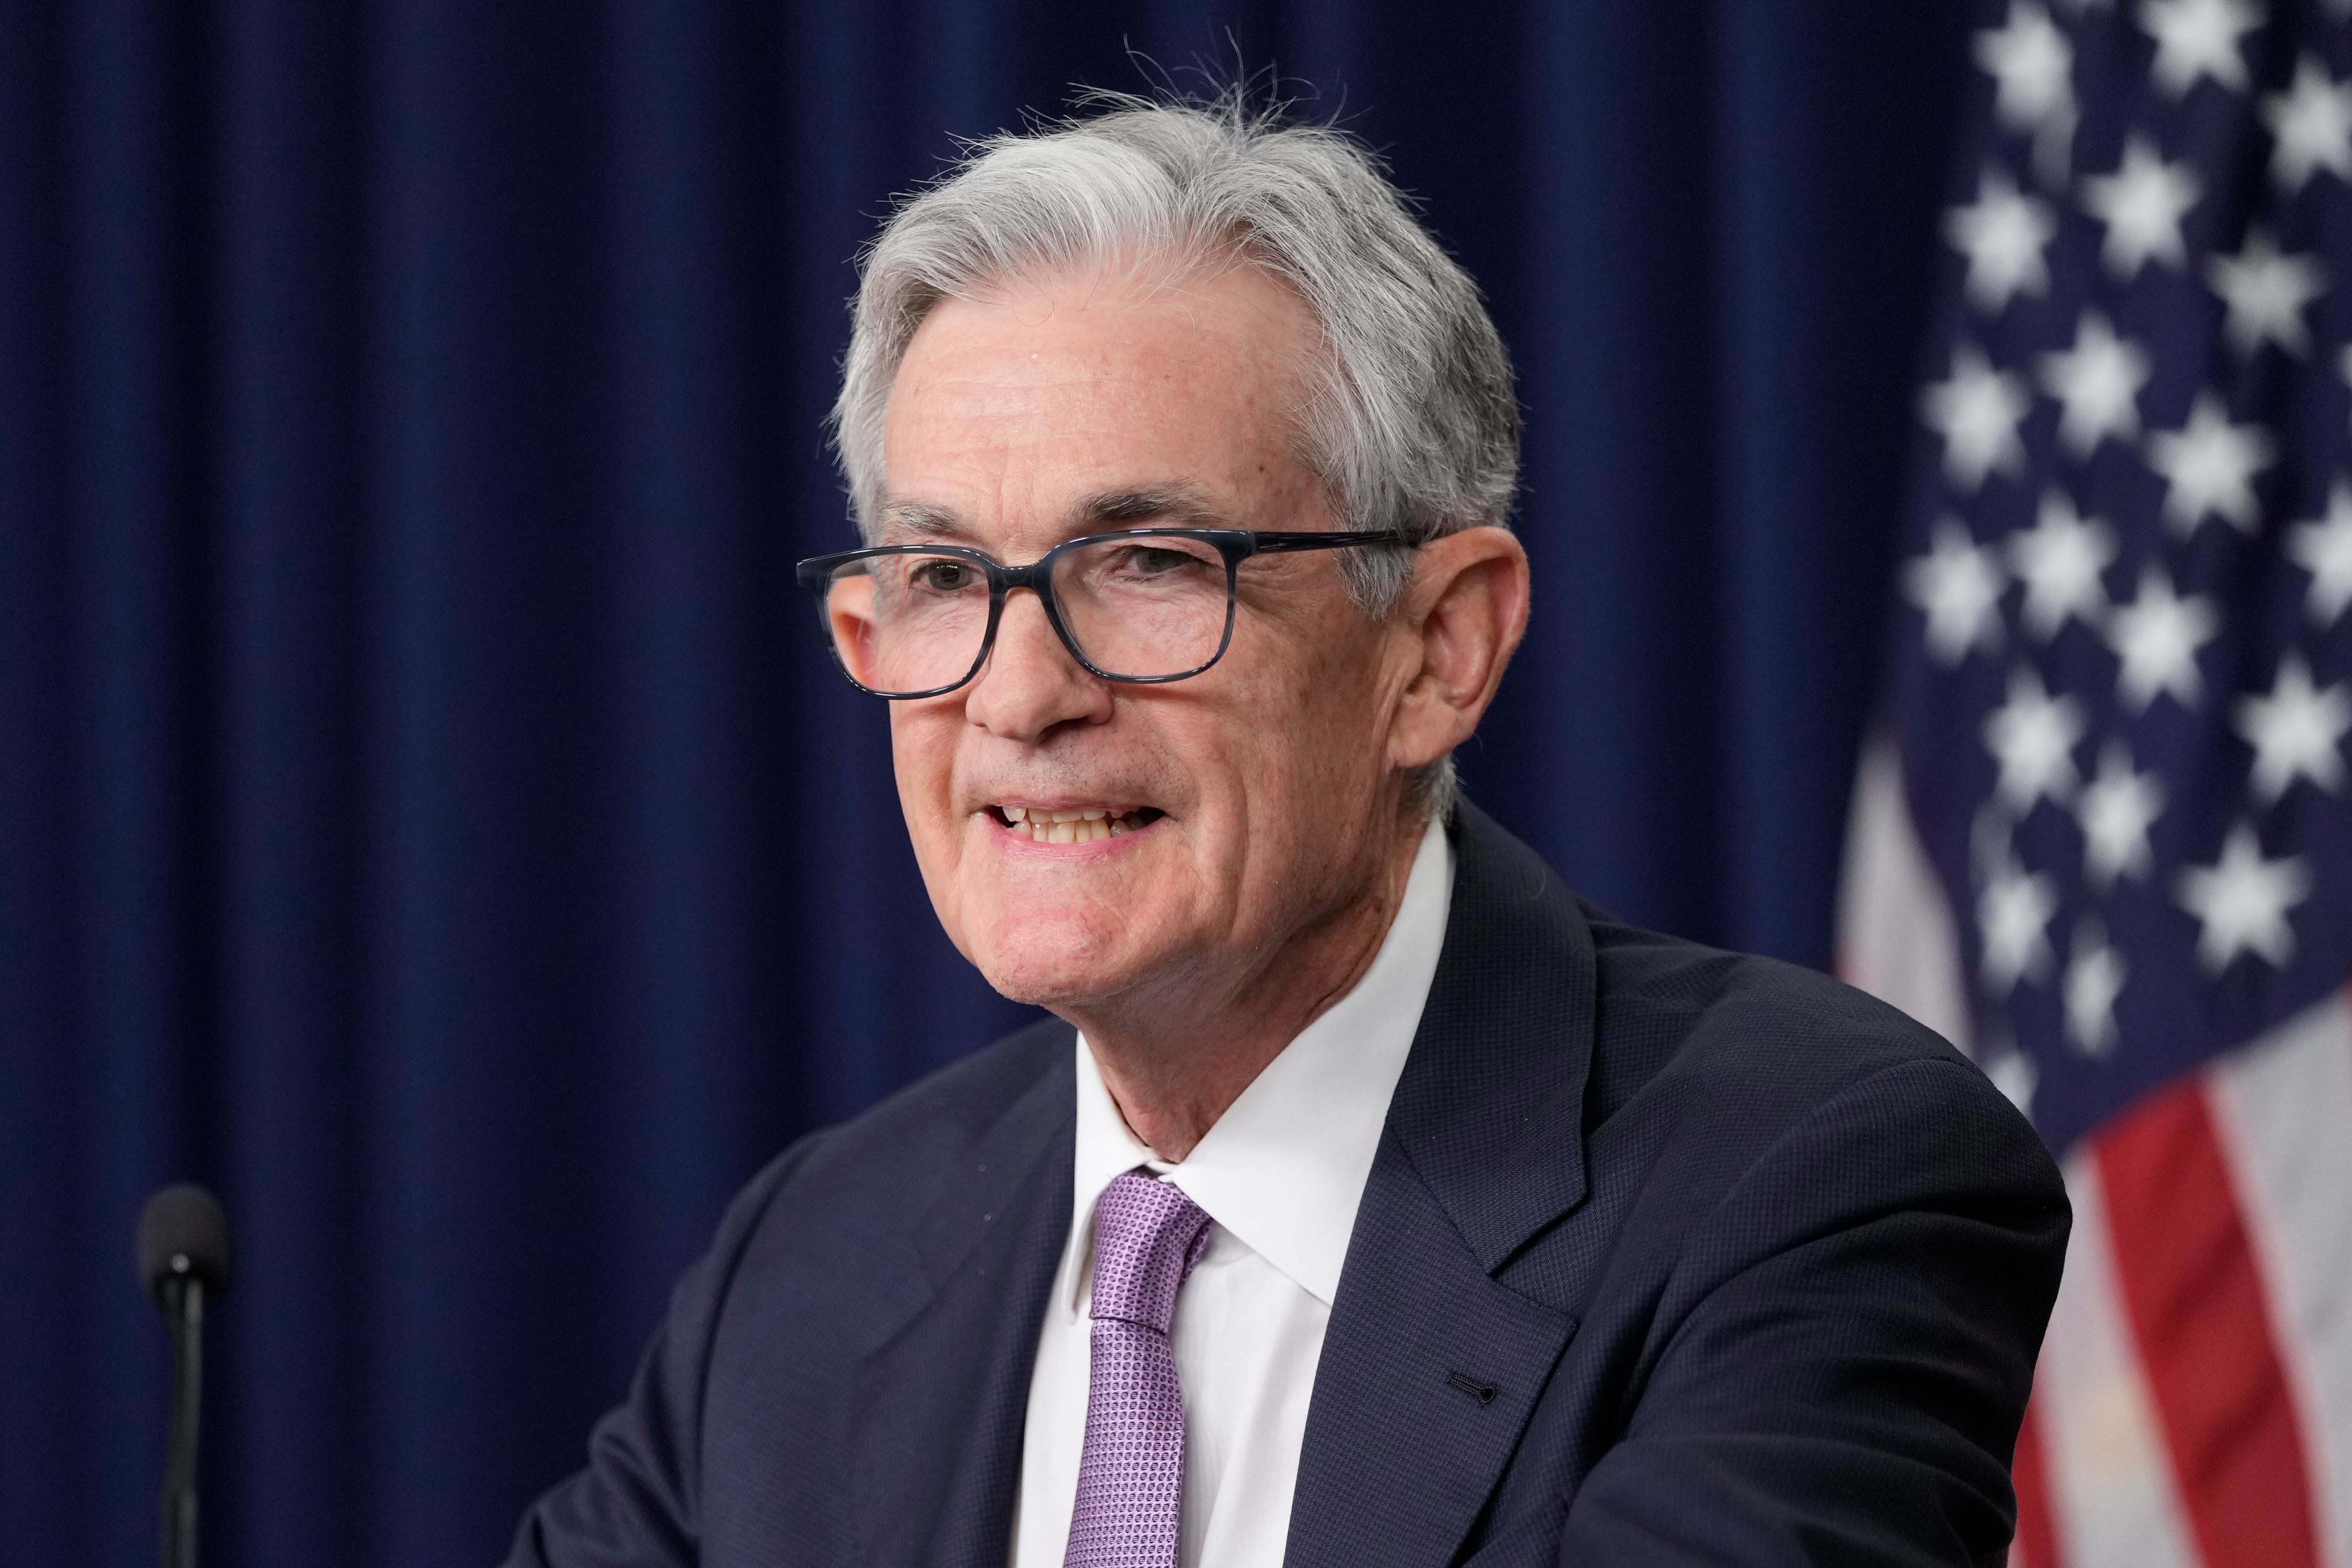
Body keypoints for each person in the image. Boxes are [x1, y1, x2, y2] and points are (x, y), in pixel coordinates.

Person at [505, 91, 2068, 1568]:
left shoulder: (1805, 1179)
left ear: (1440, 647)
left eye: (1151, 562)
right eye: (942, 578)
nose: (1020, 693)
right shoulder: (809, 1265)